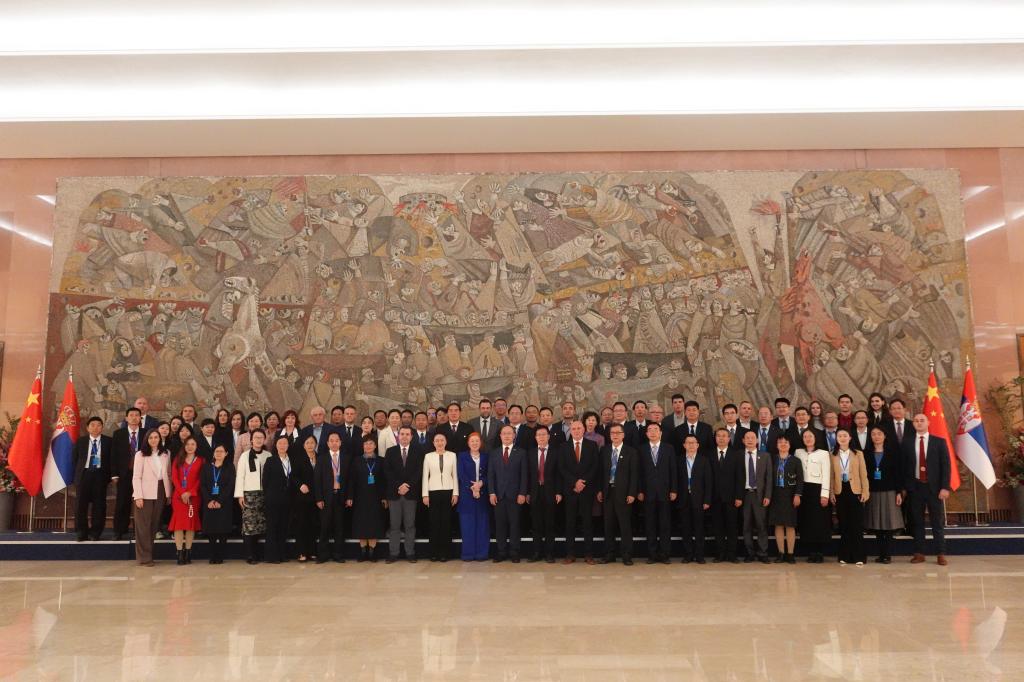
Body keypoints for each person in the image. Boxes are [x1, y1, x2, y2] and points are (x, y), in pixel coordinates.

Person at [904, 413, 952, 565]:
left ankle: (941, 554)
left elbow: (946, 466)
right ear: (913, 424)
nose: (919, 423)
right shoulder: (907, 442)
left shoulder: (939, 442)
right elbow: (903, 466)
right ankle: (919, 553)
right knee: (917, 522)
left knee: (937, 522)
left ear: (928, 422)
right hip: (915, 487)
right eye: (916, 421)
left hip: (934, 489)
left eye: (922, 420)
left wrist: (945, 487)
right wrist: (905, 487)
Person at [559, 419, 599, 564]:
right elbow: (561, 468)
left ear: (584, 430)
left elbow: (595, 466)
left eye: (579, 428)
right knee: (570, 523)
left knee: (587, 523)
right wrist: (574, 482)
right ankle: (570, 554)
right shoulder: (563, 447)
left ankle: (589, 554)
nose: (576, 431)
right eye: (574, 429)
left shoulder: (592, 445)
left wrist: (583, 482)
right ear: (570, 431)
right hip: (570, 490)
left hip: (587, 490)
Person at [598, 423, 638, 564]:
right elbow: (600, 472)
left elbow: (634, 474)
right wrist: (600, 490)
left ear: (623, 435)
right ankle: (610, 554)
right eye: (612, 433)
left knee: (624, 525)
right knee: (608, 525)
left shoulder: (631, 451)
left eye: (618, 433)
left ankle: (626, 554)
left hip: (624, 493)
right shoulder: (604, 450)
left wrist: (632, 493)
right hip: (608, 492)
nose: (615, 435)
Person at [638, 422, 677, 564]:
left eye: (656, 429)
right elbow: (638, 472)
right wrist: (639, 490)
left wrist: (674, 489)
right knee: (650, 524)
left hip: (665, 492)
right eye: (650, 430)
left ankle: (665, 554)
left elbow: (673, 469)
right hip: (647, 492)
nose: (653, 432)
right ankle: (652, 554)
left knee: (665, 524)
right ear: (646, 434)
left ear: (660, 433)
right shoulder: (641, 449)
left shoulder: (669, 448)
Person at [863, 426, 903, 564]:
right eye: (873, 434)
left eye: (879, 434)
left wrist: (898, 492)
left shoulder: (893, 452)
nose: (876, 436)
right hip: (873, 492)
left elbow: (898, 474)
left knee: (889, 524)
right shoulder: (866, 453)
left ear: (885, 436)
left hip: (889, 492)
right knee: (877, 524)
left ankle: (887, 554)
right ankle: (881, 554)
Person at [131, 430, 171, 566]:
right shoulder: (140, 454)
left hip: (160, 491)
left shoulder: (166, 454)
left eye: (156, 437)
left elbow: (168, 475)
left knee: (154, 525)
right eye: (151, 438)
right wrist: (138, 496)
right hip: (145, 493)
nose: (154, 440)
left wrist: (168, 494)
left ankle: (149, 555)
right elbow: (136, 477)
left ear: (160, 439)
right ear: (146, 440)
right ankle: (144, 558)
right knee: (143, 526)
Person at [489, 425, 528, 563]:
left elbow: (524, 475)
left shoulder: (521, 452)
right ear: (500, 436)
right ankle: (501, 552)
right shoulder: (494, 453)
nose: (506, 436)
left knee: (514, 524)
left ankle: (514, 552)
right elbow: (490, 475)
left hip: (515, 495)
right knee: (500, 525)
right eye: (504, 433)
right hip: (498, 495)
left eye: (509, 433)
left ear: (514, 435)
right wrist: (491, 492)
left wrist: (522, 493)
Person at [384, 426, 422, 563]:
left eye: (407, 434)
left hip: (410, 493)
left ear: (411, 436)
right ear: (398, 436)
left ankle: (410, 553)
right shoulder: (390, 451)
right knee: (394, 525)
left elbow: (419, 471)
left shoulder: (418, 451)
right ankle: (393, 553)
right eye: (402, 434)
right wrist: (399, 485)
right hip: (394, 494)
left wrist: (407, 485)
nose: (404, 436)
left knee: (410, 525)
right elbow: (387, 471)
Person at [831, 429, 869, 565]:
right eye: (839, 436)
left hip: (855, 491)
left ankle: (859, 556)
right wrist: (831, 493)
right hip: (840, 491)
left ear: (850, 438)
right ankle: (845, 555)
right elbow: (831, 476)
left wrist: (865, 492)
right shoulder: (832, 454)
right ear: (836, 439)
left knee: (856, 525)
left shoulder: (858, 454)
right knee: (844, 524)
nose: (842, 438)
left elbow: (863, 474)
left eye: (845, 435)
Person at [347, 434, 388, 562]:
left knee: (374, 523)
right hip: (360, 497)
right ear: (363, 446)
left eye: (371, 443)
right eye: (366, 444)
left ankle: (372, 552)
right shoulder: (356, 461)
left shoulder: (381, 461)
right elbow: (351, 480)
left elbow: (384, 481)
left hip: (376, 497)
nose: (368, 446)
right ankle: (363, 551)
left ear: (375, 446)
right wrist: (350, 496)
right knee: (361, 524)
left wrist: (384, 497)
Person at [73, 416, 113, 541]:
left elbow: (112, 460)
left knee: (99, 505)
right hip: (84, 475)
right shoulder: (81, 441)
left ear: (102, 427)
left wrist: (110, 476)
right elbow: (75, 459)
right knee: (80, 505)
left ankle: (95, 532)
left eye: (98, 425)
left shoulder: (109, 441)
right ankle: (81, 532)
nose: (96, 427)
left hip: (100, 476)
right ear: (87, 428)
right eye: (93, 425)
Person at [795, 427, 832, 563]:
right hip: (804, 490)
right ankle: (810, 552)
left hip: (818, 490)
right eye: (805, 437)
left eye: (810, 436)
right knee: (807, 521)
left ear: (816, 438)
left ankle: (819, 552)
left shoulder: (823, 453)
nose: (808, 439)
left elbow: (826, 474)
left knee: (819, 522)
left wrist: (825, 494)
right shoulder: (798, 452)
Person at [314, 433, 351, 563]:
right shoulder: (322, 459)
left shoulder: (346, 458)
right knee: (324, 527)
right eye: (331, 441)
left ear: (340, 442)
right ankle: (323, 555)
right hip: (326, 497)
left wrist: (349, 496)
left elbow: (350, 480)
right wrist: (319, 498)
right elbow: (317, 480)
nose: (334, 443)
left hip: (341, 496)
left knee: (339, 527)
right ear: (328, 443)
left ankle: (338, 555)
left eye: (336, 440)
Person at [235, 429, 270, 564]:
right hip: (249, 494)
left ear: (264, 440)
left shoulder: (268, 455)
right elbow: (240, 476)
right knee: (249, 525)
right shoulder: (245, 456)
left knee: (260, 525)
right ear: (251, 440)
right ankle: (250, 555)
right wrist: (240, 495)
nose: (258, 440)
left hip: (264, 493)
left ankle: (258, 553)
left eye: (261, 437)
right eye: (256, 437)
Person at [526, 425, 561, 563]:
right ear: (535, 438)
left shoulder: (556, 452)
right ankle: (536, 552)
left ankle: (549, 553)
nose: (541, 437)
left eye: (544, 434)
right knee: (536, 524)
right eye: (538, 435)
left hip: (550, 492)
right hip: (534, 492)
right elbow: (527, 475)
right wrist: (527, 492)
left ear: (548, 436)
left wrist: (558, 491)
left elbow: (559, 473)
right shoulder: (530, 452)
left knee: (550, 524)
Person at [422, 433, 459, 561]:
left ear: (446, 442)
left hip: (448, 491)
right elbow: (425, 476)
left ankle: (445, 553)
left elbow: (455, 475)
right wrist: (425, 494)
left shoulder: (452, 455)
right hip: (433, 491)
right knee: (434, 523)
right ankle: (433, 553)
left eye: (442, 440)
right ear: (433, 443)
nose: (439, 442)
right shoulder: (428, 456)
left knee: (446, 523)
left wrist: (455, 493)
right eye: (437, 440)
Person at [169, 436, 204, 565]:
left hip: (193, 497)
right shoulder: (178, 459)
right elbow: (174, 477)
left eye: (192, 444)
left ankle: (188, 552)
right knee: (178, 524)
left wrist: (190, 492)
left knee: (190, 524)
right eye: (187, 444)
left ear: (196, 446)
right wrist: (182, 492)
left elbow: (200, 479)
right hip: (179, 497)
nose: (190, 447)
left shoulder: (201, 461)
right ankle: (179, 552)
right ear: (184, 446)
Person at [678, 433, 712, 564]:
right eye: (688, 443)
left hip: (699, 499)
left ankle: (699, 555)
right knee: (685, 528)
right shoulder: (679, 460)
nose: (691, 445)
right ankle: (688, 554)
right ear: (684, 445)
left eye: (693, 443)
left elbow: (708, 482)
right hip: (683, 498)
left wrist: (707, 500)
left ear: (697, 445)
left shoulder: (704, 460)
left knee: (699, 528)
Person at [769, 436, 803, 564]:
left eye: (786, 442)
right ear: (776, 445)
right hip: (775, 494)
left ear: (790, 445)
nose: (783, 444)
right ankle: (781, 553)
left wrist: (797, 494)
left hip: (790, 495)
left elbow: (800, 479)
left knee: (790, 525)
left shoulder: (796, 460)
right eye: (780, 442)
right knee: (778, 524)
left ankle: (790, 554)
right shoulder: (772, 459)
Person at [710, 427, 743, 563]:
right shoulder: (709, 454)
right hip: (714, 498)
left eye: (724, 436)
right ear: (715, 438)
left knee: (732, 527)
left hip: (732, 498)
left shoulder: (736, 455)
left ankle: (732, 554)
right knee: (717, 527)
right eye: (719, 436)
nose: (721, 438)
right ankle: (720, 553)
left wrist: (739, 496)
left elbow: (740, 477)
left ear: (729, 439)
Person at [262, 435, 297, 563]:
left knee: (283, 527)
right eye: (280, 443)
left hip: (287, 499)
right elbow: (265, 481)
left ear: (288, 445)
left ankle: (282, 554)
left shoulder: (292, 460)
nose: (282, 446)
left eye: (285, 443)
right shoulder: (270, 460)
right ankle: (272, 556)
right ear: (276, 446)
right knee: (272, 527)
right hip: (273, 499)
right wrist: (269, 496)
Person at [113, 407, 145, 540]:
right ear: (126, 418)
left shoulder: (146, 433)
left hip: (142, 474)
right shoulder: (118, 434)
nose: (134, 417)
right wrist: (115, 474)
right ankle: (120, 530)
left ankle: (140, 531)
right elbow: (113, 455)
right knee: (122, 502)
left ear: (140, 418)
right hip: (124, 474)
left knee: (142, 503)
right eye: (131, 415)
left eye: (137, 415)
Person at [739, 430, 772, 563]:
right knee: (746, 525)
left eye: (753, 438)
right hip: (745, 495)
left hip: (760, 495)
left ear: (757, 440)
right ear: (743, 441)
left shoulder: (765, 456)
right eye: (747, 438)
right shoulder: (738, 456)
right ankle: (750, 553)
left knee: (761, 525)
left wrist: (767, 495)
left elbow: (769, 478)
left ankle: (763, 553)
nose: (750, 440)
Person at [457, 433, 490, 561]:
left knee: (482, 526)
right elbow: (461, 474)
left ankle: (482, 554)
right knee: (467, 525)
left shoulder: (486, 456)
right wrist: (473, 487)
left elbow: (489, 473)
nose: (475, 443)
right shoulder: (462, 456)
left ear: (480, 443)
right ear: (468, 443)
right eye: (472, 441)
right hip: (467, 494)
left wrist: (481, 484)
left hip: (482, 494)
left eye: (477, 441)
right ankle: (468, 554)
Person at [200, 444, 234, 564]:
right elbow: (202, 485)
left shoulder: (230, 467)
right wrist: (209, 500)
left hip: (224, 502)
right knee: (211, 529)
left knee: (223, 529)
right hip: (209, 502)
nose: (219, 453)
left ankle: (220, 555)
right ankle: (213, 555)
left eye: (221, 451)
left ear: (226, 454)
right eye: (216, 451)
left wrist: (220, 501)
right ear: (213, 453)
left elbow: (230, 485)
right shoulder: (206, 467)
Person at [291, 430, 319, 562]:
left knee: (314, 524)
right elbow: (293, 476)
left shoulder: (321, 457)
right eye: (307, 443)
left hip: (316, 496)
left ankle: (312, 551)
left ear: (316, 444)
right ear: (303, 445)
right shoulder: (298, 459)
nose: (310, 445)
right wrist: (300, 484)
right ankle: (301, 552)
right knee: (302, 524)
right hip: (302, 497)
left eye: (312, 442)